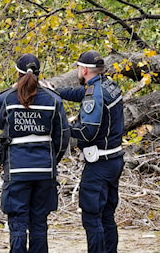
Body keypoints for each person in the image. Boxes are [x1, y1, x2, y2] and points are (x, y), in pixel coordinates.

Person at [0, 53, 70, 253]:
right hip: (44, 170)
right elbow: (63, 136)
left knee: (17, 221)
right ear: (40, 74)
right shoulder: (53, 99)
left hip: (17, 169)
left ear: (17, 72)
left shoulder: (6, 98)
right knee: (39, 221)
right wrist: (52, 160)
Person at [55, 50, 124, 253]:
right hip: (115, 158)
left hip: (99, 164)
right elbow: (82, 94)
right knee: (107, 214)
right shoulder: (108, 85)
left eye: (78, 68)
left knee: (92, 216)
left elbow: (87, 132)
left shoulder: (95, 94)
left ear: (84, 69)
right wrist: (55, 91)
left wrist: (63, 128)